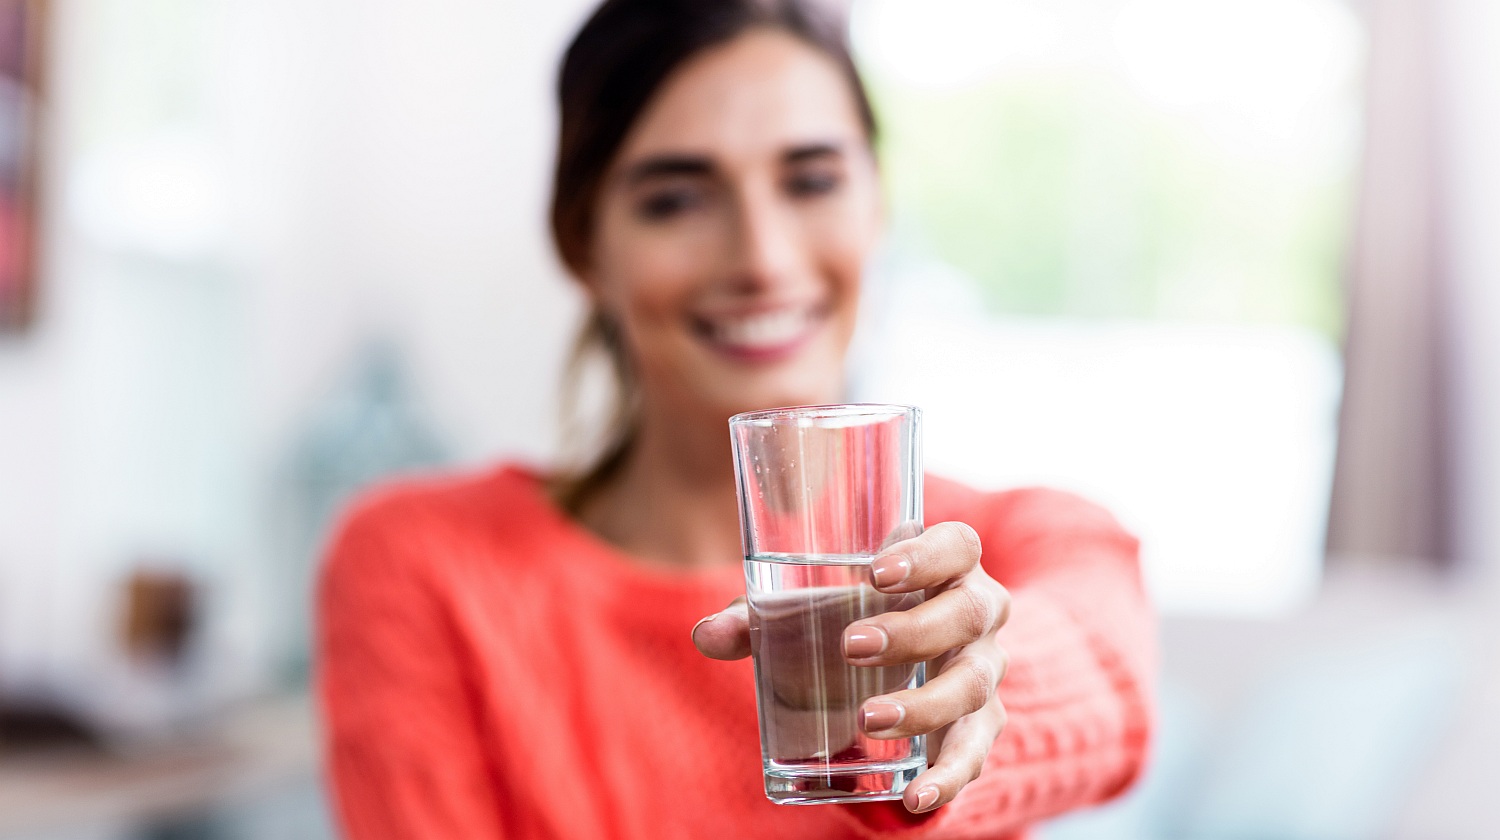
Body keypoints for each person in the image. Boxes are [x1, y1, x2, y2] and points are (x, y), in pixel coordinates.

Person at [316, 0, 1156, 837]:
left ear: (877, 205)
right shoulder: (422, 565)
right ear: (583, 243)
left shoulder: (1015, 543)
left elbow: (1104, 679)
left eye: (812, 180)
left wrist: (964, 693)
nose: (762, 258)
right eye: (677, 199)